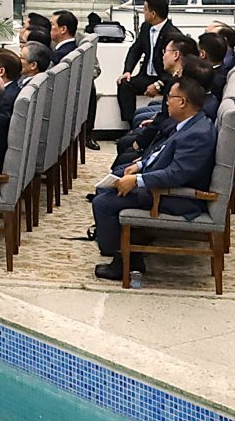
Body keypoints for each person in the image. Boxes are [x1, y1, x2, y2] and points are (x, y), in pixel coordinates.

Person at [90, 78, 216, 281]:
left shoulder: (197, 134)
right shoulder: (190, 124)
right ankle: (129, 248)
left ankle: (121, 261)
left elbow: (177, 174)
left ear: (182, 102)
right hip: (162, 184)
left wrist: (138, 180)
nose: (166, 101)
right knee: (109, 185)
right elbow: (163, 152)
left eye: (170, 97)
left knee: (103, 203)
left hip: (177, 197)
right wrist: (140, 165)